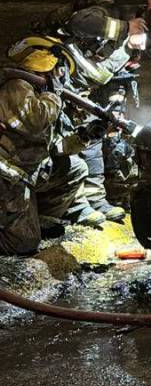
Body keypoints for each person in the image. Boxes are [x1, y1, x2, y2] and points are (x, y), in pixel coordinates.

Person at [33, 0, 151, 221]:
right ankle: (59, 203)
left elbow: (108, 72)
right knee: (56, 143)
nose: (141, 48)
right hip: (50, 80)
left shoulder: (131, 50)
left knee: (93, 134)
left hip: (78, 92)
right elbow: (80, 23)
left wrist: (115, 99)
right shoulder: (108, 15)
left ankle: (95, 201)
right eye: (144, 41)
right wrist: (124, 28)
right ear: (140, 24)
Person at [0, 38, 96, 254]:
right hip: (6, 175)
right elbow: (35, 121)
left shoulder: (38, 94)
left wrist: (86, 136)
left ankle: (36, 217)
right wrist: (54, 95)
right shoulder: (17, 86)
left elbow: (55, 148)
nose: (62, 78)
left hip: (23, 172)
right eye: (60, 72)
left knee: (75, 169)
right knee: (22, 245)